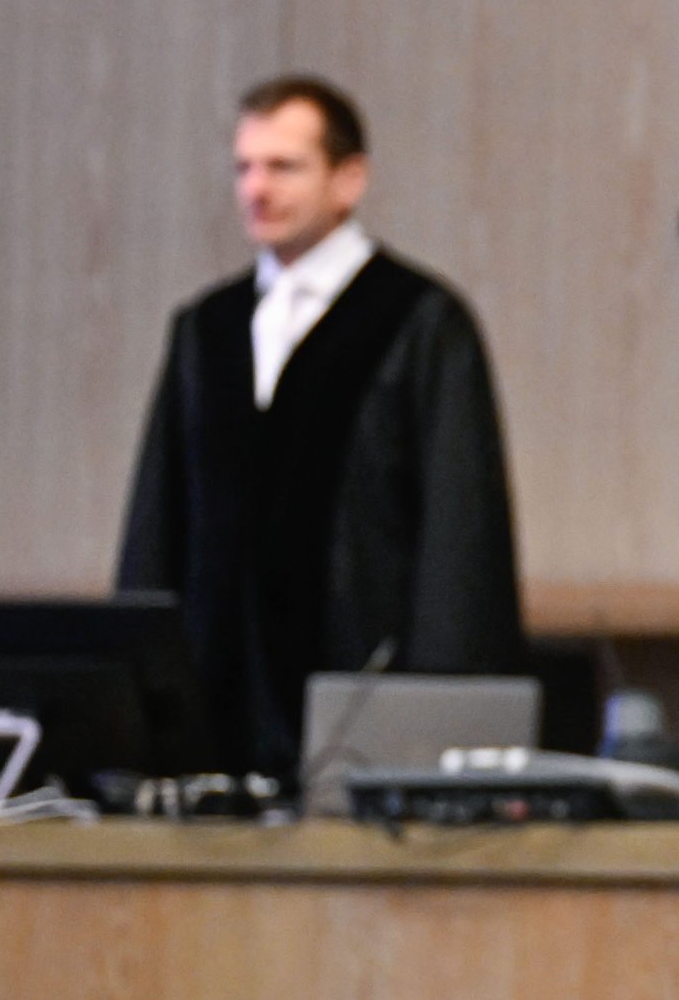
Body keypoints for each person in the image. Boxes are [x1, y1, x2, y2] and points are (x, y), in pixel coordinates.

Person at [117, 75, 525, 782]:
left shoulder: (420, 322)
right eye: (244, 167)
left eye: (284, 167)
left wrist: (439, 722)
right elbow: (159, 524)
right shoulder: (206, 331)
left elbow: (461, 537)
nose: (257, 189)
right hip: (218, 710)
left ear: (349, 179)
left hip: (364, 696)